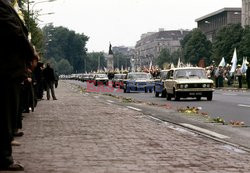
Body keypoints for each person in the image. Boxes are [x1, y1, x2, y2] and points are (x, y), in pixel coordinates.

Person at [0, 0, 38, 171]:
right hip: (6, 69)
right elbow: (15, 32)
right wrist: (31, 53)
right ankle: (4, 158)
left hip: (10, 69)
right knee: (5, 115)